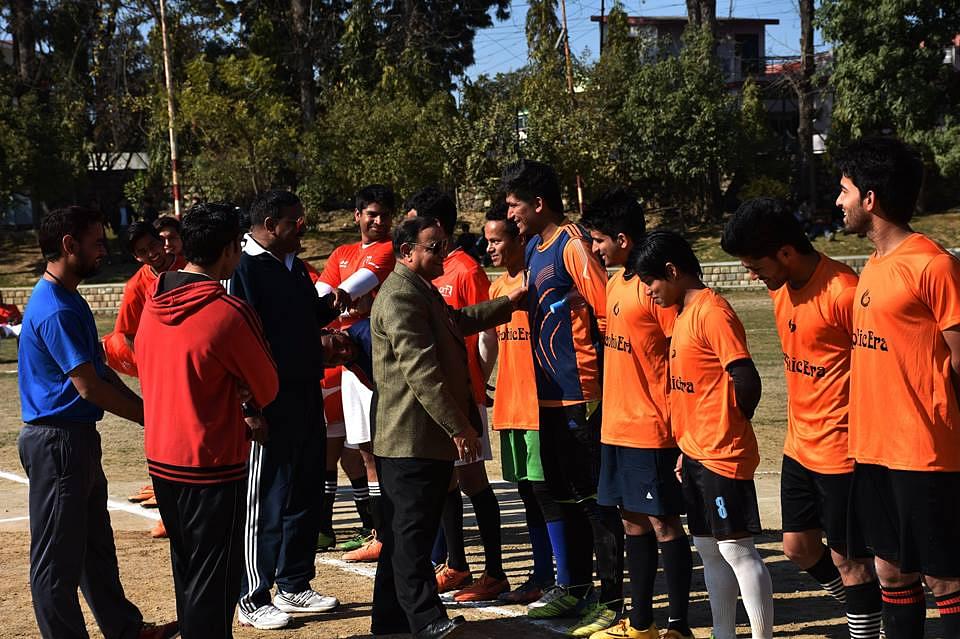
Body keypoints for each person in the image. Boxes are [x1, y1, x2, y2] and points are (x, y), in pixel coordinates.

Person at [721, 197, 882, 638]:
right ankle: (866, 610)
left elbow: (876, 368)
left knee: (851, 561)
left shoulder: (843, 292)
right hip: (799, 446)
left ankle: (866, 623)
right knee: (798, 547)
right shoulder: (781, 290)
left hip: (842, 452)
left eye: (756, 266)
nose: (751, 276)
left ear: (786, 252)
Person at [17, 205, 178, 639]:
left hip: (75, 439)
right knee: (56, 563)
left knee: (95, 549)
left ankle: (125, 630)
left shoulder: (70, 299)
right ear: (69, 245)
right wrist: (150, 419)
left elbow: (102, 372)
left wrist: (151, 413)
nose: (104, 251)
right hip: (57, 442)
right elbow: (88, 386)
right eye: (96, 243)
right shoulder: (56, 308)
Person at [369, 216, 523, 639]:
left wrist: (508, 304)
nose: (444, 253)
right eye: (434, 247)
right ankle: (425, 619)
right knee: (413, 535)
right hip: (411, 439)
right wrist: (459, 427)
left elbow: (454, 321)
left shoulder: (417, 289)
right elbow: (422, 373)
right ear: (406, 252)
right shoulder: (401, 296)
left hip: (416, 438)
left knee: (403, 534)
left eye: (445, 244)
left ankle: (390, 618)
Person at [136, 202, 279, 638]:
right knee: (215, 579)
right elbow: (267, 386)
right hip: (212, 462)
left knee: (188, 570)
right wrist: (238, 386)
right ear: (229, 250)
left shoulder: (153, 301)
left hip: (162, 457)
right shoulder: (228, 311)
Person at [836, 137, 960, 638]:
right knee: (890, 571)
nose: (838, 201)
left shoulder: (934, 264)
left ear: (870, 199)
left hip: (924, 453)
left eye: (844, 190)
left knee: (945, 578)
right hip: (873, 450)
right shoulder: (873, 265)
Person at [502, 159, 625, 638]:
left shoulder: (572, 245)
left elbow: (608, 311)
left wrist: (609, 382)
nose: (510, 215)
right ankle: (573, 586)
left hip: (580, 393)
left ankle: (611, 600)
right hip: (546, 396)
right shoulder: (534, 248)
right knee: (561, 495)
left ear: (538, 203)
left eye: (514, 205)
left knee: (595, 501)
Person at [632, 230, 773, 639]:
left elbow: (746, 379)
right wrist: (688, 445)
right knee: (709, 550)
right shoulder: (682, 314)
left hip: (721, 456)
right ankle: (723, 633)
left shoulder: (713, 312)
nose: (650, 292)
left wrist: (727, 430)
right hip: (695, 455)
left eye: (652, 282)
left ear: (672, 271)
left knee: (736, 549)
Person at [581, 188, 694, 639]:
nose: (594, 249)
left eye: (599, 240)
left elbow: (678, 353)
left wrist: (680, 424)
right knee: (631, 521)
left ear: (623, 240)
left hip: (652, 427)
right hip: (616, 426)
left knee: (664, 524)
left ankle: (679, 626)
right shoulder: (614, 284)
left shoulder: (653, 289)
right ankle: (641, 624)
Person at [227, 190, 340, 631]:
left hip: (306, 393)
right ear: (271, 225)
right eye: (295, 222)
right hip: (269, 401)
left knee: (305, 489)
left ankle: (294, 583)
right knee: (266, 497)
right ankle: (251, 595)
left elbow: (301, 320)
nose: (303, 228)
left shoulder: (292, 266)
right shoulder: (244, 268)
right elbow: (240, 339)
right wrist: (250, 405)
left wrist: (328, 308)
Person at [405, 187, 508, 601]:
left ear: (437, 226)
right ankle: (457, 565)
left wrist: (477, 381)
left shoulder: (465, 270)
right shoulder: (424, 272)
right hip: (438, 398)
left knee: (472, 478)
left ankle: (495, 571)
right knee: (447, 479)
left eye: (416, 219)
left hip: (463, 396)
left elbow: (486, 333)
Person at [314, 185, 397, 559]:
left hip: (374, 354)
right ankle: (377, 530)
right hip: (348, 360)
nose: (378, 221)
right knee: (364, 449)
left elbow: (345, 292)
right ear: (357, 215)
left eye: (384, 214)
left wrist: (334, 305)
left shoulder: (389, 250)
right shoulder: (342, 253)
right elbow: (321, 296)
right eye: (371, 214)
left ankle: (389, 530)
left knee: (383, 448)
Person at [484, 200, 556, 604]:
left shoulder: (537, 284)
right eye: (488, 240)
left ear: (519, 240)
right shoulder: (498, 289)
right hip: (509, 407)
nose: (490, 247)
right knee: (527, 495)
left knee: (547, 495)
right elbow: (490, 344)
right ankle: (541, 572)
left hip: (537, 407)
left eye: (497, 240)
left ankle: (557, 576)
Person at [102, 221, 185, 378]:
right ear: (136, 257)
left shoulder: (189, 266)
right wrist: (151, 365)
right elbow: (129, 333)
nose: (151, 253)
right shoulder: (135, 286)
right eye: (142, 251)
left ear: (160, 241)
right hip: (166, 362)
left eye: (153, 245)